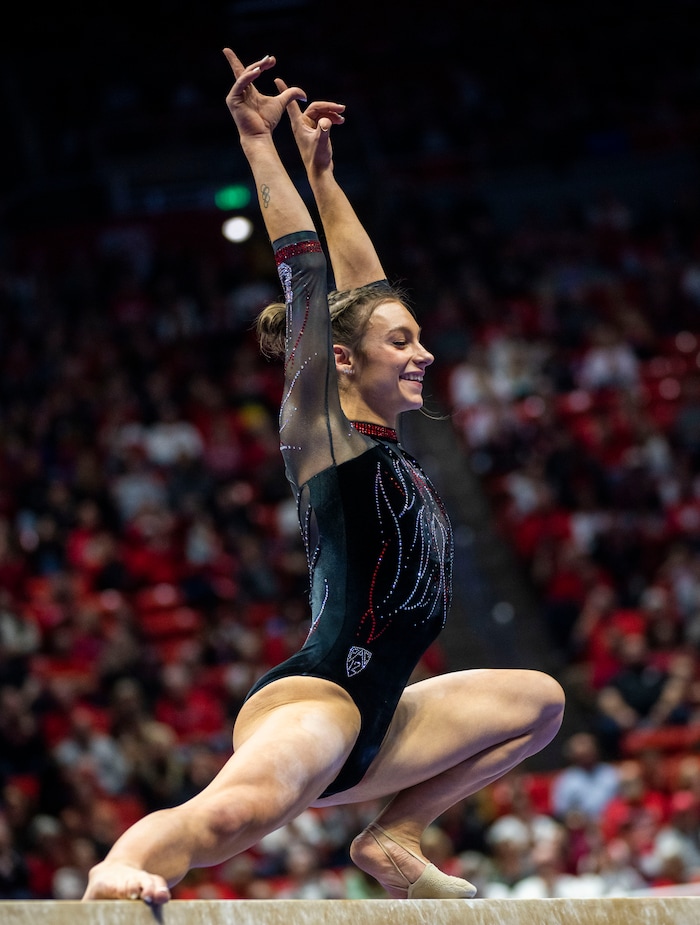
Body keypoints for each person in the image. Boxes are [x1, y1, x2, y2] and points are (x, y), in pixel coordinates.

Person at [81, 49, 565, 904]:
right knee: (232, 814)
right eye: (401, 341)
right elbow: (309, 276)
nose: (422, 354)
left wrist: (323, 170)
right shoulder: (323, 434)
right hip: (324, 696)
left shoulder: (381, 435)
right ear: (342, 358)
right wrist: (260, 146)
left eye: (418, 337)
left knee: (538, 700)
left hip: (386, 711)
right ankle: (124, 864)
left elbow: (364, 280)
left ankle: (396, 835)